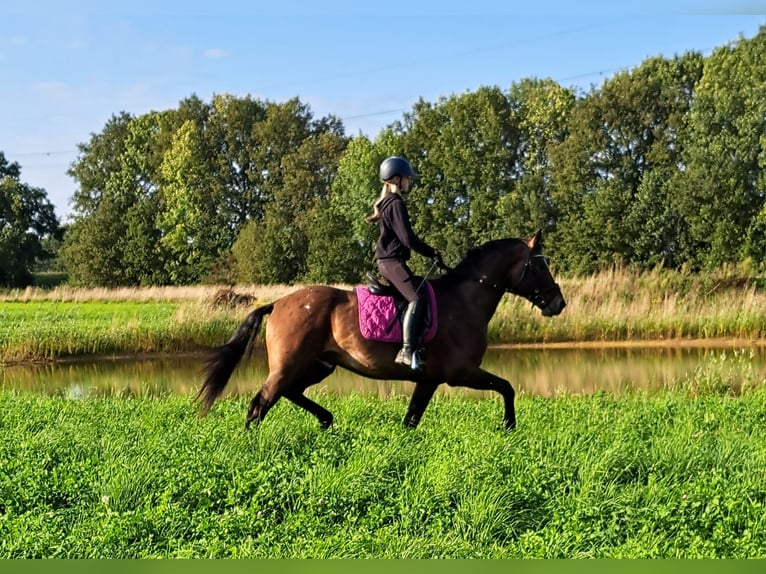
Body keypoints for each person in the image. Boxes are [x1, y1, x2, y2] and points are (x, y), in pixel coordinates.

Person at [365, 156, 445, 371]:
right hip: (392, 262)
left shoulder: (388, 203)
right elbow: (408, 239)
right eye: (407, 178)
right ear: (397, 179)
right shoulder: (396, 204)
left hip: (389, 261)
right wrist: (431, 252)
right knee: (417, 298)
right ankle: (407, 350)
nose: (409, 181)